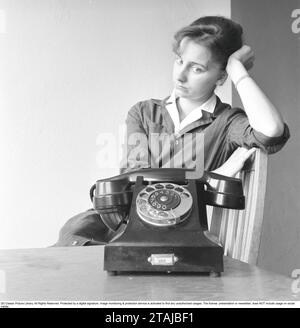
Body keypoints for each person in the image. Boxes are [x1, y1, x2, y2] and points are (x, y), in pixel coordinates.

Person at [54, 16, 289, 247]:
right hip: (121, 222)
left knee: (119, 262)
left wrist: (238, 71)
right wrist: (218, 173)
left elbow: (271, 131)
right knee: (73, 237)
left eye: (196, 69)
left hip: (177, 230)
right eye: (179, 61)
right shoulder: (143, 112)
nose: (181, 75)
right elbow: (134, 182)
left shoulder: (227, 123)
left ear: (221, 76)